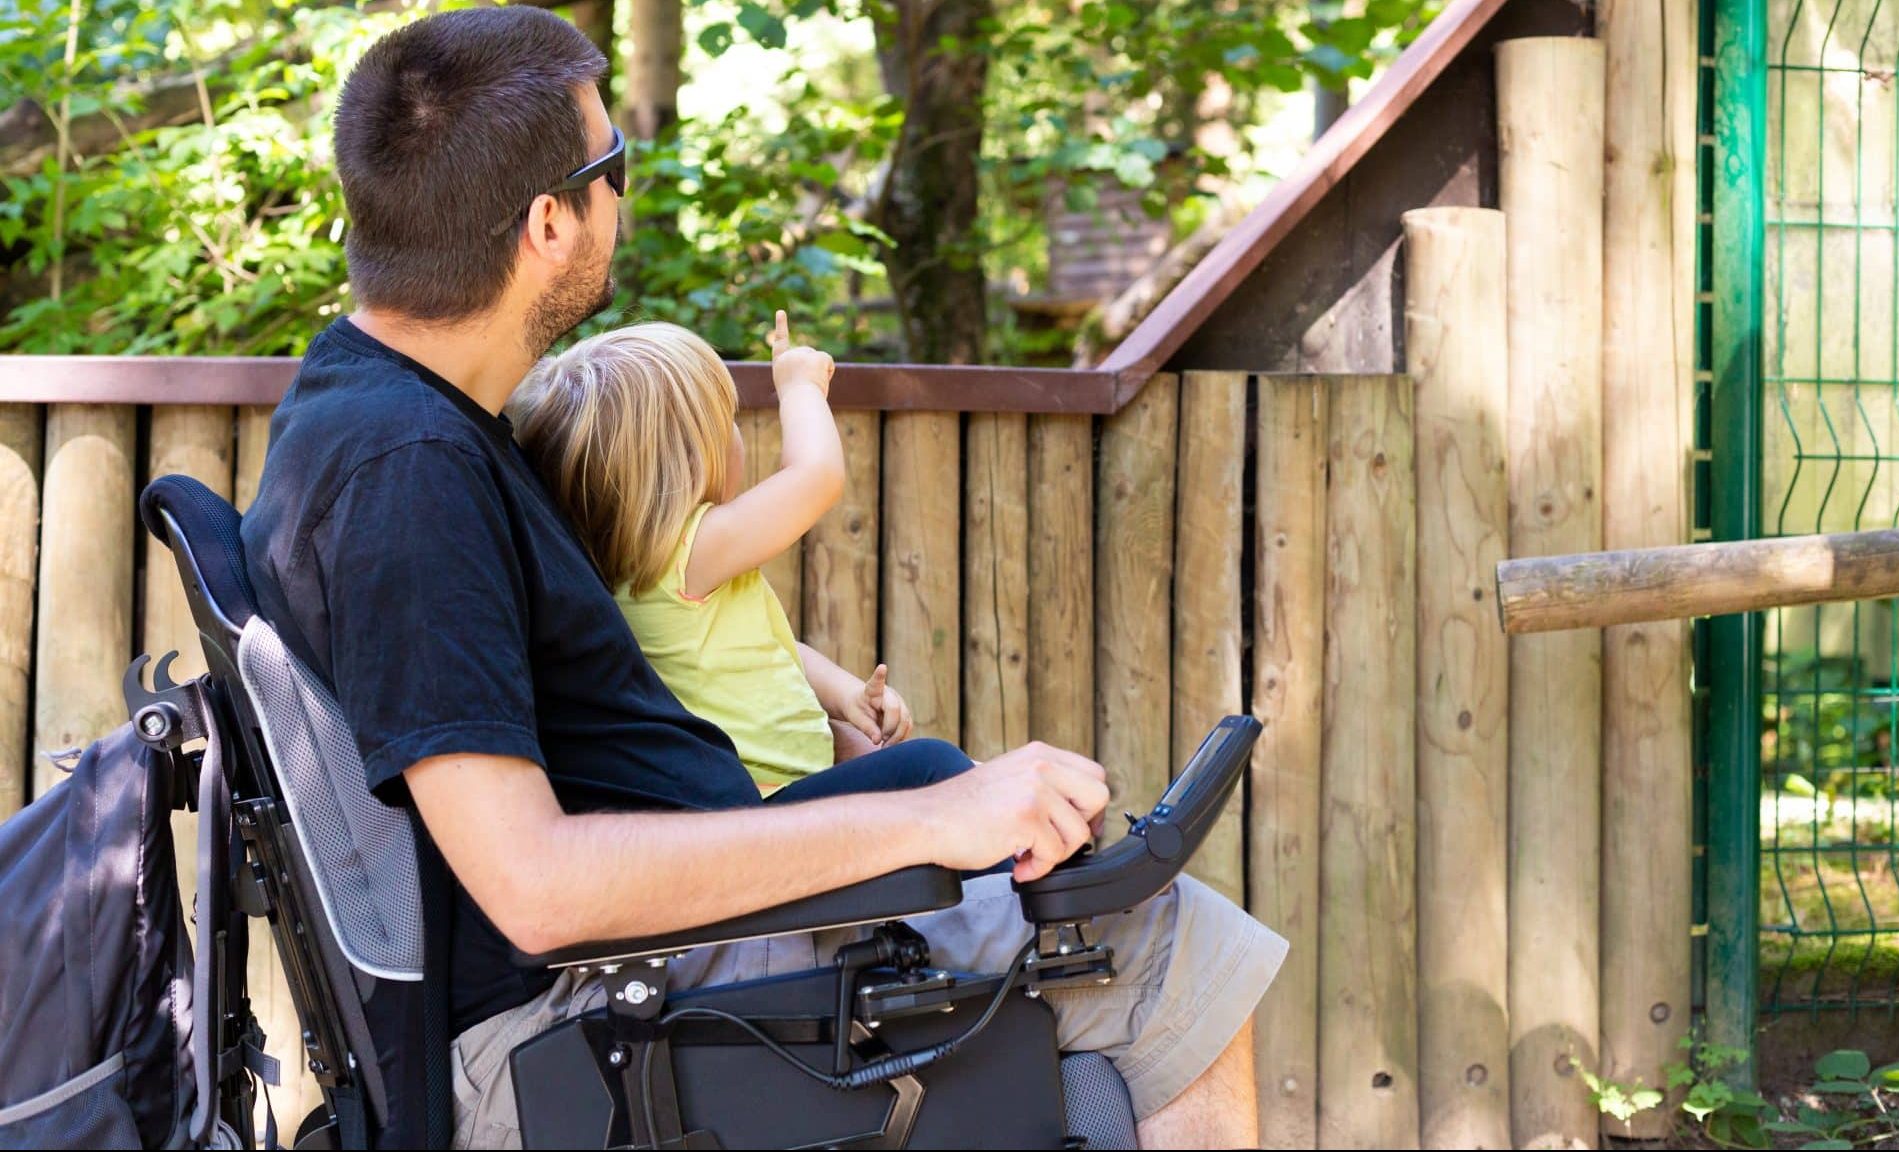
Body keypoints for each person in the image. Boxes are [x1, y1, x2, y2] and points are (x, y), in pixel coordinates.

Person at [239, 7, 1284, 1149]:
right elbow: (534, 885)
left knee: (1068, 872)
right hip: (595, 1022)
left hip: (658, 966)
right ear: (548, 220)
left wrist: (863, 758)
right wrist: (928, 817)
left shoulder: (399, 421)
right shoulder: (409, 474)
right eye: (613, 169)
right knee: (1163, 939)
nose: (620, 199)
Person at [511, 316, 915, 793]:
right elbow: (816, 476)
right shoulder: (687, 554)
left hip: (772, 793)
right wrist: (800, 387)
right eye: (729, 422)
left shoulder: (620, 568)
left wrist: (845, 694)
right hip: (771, 800)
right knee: (934, 766)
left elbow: (771, 646)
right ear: (689, 457)